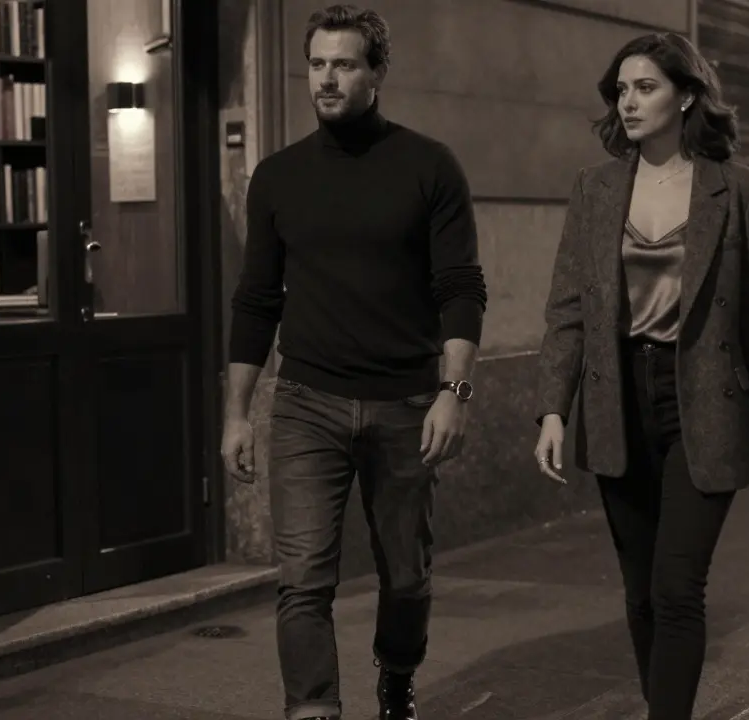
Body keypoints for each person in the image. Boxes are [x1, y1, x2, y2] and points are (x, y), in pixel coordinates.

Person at [220, 5, 486, 720]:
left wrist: (453, 391)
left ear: (376, 73)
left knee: (407, 576)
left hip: (406, 403)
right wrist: (237, 414)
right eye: (316, 64)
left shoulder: (429, 167)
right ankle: (314, 710)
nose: (327, 79)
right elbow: (255, 301)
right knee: (303, 579)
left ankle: (396, 676)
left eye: (344, 64)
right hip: (307, 401)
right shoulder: (277, 178)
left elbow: (461, 288)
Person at [532, 32, 749, 720]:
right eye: (621, 89)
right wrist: (553, 409)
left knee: (678, 588)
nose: (629, 101)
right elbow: (568, 306)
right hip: (620, 400)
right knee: (642, 592)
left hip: (704, 405)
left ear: (686, 95)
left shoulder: (737, 190)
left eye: (645, 87)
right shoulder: (595, 188)